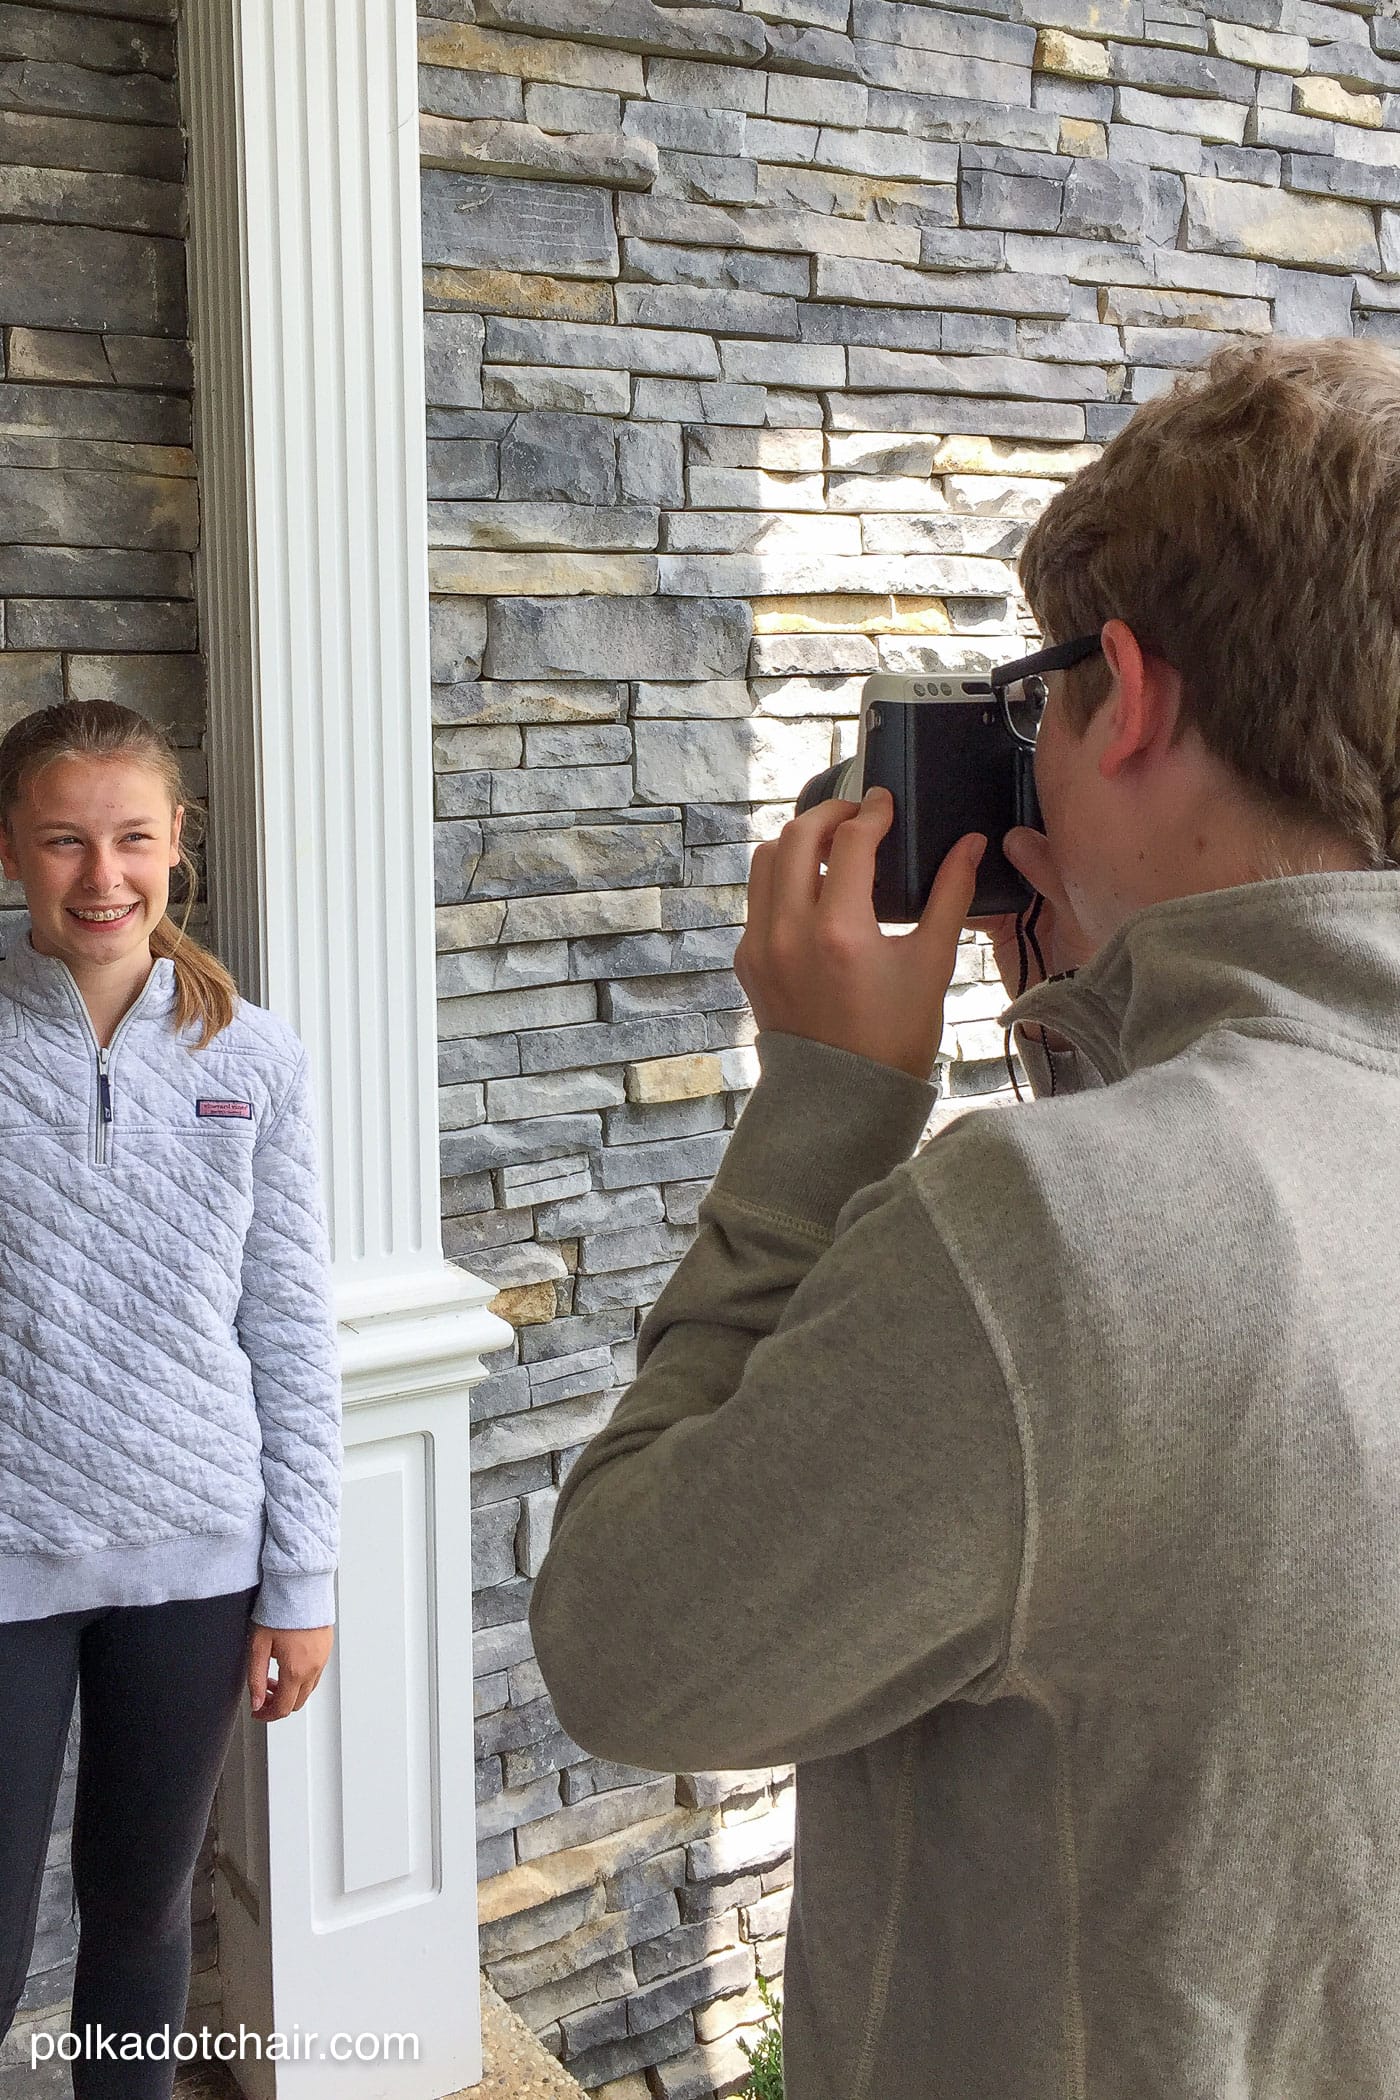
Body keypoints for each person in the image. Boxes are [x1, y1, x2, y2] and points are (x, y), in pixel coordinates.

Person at [529, 334, 1400, 2098]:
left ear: (1131, 693)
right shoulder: (1140, 1182)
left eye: (1039, 699)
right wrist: (1108, 1029)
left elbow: (634, 1652)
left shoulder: (1056, 1231)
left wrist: (826, 1107)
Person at [0, 701, 342, 2094]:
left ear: (177, 842)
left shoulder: (255, 1059)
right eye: (65, 841)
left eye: (133, 838)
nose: (103, 877)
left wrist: (301, 1577)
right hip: (7, 1554)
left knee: (142, 1919)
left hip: (196, 1559)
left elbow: (290, 1321)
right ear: (13, 849)